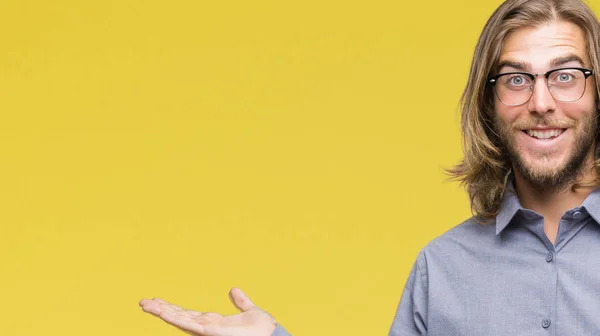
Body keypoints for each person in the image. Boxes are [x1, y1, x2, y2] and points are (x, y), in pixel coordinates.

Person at [138, 0, 600, 334]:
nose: (541, 103)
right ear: (489, 103)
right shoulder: (440, 270)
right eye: (517, 79)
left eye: (566, 76)